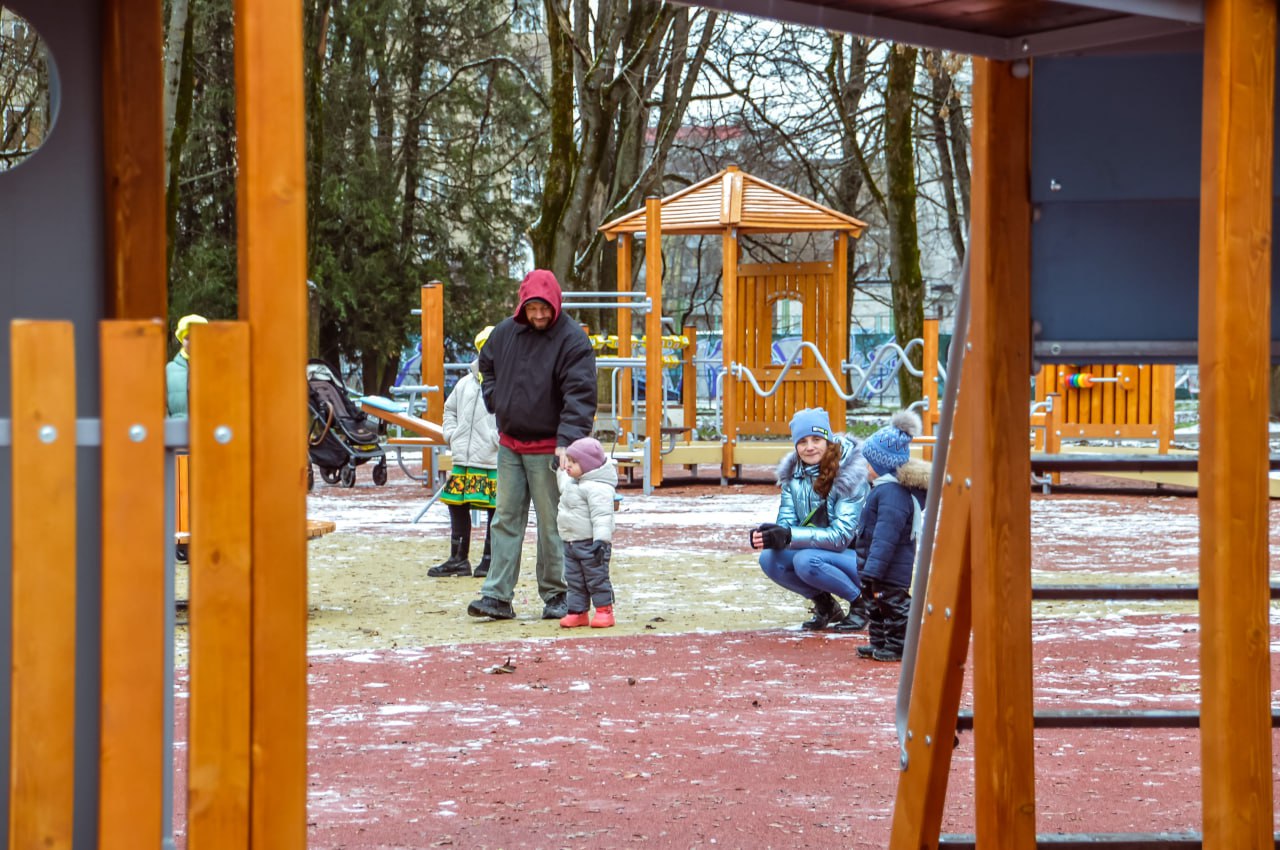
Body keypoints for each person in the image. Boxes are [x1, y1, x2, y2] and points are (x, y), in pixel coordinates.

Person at [466, 269, 597, 621]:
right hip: (511, 444)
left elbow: (580, 396)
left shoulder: (572, 341)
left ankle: (557, 594)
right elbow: (486, 365)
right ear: (522, 305)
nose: (539, 315)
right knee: (505, 519)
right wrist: (493, 398)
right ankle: (496, 595)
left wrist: (567, 443)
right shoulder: (504, 334)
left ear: (556, 305)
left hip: (549, 447)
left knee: (553, 523)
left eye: (545, 309)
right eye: (532, 308)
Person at [751, 407, 872, 632]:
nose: (809, 447)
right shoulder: (793, 476)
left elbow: (841, 537)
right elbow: (787, 523)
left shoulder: (850, 475)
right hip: (824, 555)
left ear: (828, 440)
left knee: (806, 560)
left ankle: (861, 604)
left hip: (863, 560)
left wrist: (789, 536)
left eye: (816, 439)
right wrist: (770, 535)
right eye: (802, 441)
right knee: (769, 558)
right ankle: (826, 605)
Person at [853, 410, 931, 662]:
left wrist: (874, 568)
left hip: (889, 567)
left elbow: (885, 537)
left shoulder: (892, 495)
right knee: (875, 605)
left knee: (893, 604)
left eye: (869, 464)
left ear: (882, 466)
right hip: (875, 565)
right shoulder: (882, 489)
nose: (865, 468)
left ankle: (899, 646)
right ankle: (880, 642)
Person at [430, 326, 499, 578]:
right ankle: (458, 557)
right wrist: (452, 434)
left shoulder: (506, 380)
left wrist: (497, 439)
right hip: (464, 456)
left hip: (492, 457)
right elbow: (450, 410)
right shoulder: (465, 383)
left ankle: (490, 559)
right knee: (457, 504)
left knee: (494, 509)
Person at [554, 436, 618, 629]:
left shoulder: (598, 488)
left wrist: (601, 540)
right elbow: (563, 481)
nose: (568, 466)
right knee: (574, 581)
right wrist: (558, 466)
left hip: (592, 544)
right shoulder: (574, 483)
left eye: (573, 462)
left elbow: (602, 516)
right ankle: (577, 612)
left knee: (596, 578)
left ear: (588, 465)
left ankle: (604, 610)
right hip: (571, 542)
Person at [166, 314, 208, 418]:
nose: (192, 341)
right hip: (176, 429)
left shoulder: (214, 367)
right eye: (187, 337)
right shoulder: (169, 369)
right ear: (181, 340)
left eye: (197, 336)